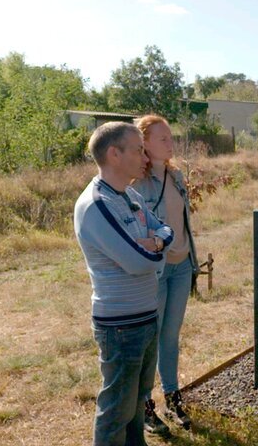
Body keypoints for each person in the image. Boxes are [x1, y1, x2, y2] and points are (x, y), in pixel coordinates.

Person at [74, 122, 173, 445]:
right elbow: (136, 261)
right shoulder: (96, 205)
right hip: (120, 326)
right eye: (137, 149)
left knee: (135, 404)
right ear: (114, 154)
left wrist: (155, 243)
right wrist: (156, 250)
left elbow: (166, 231)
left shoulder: (129, 196)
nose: (145, 157)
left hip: (144, 317)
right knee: (116, 409)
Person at [132, 115, 197, 434]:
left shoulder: (177, 175)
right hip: (156, 271)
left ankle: (172, 397)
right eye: (163, 139)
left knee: (171, 337)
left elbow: (184, 222)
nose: (171, 143)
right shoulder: (136, 184)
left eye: (171, 137)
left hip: (182, 266)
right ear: (143, 143)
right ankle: (145, 404)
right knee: (151, 339)